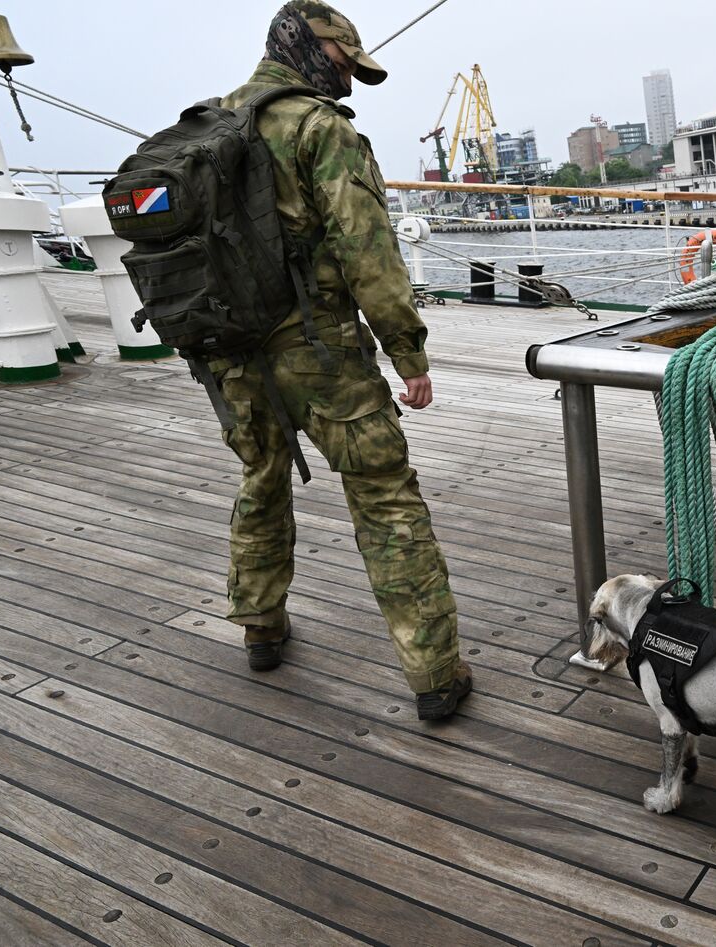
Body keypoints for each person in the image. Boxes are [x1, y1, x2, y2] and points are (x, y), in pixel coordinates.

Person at [216, 0, 470, 720]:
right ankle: (436, 677)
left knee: (260, 477)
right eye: (341, 64)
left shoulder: (213, 121)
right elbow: (368, 249)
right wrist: (407, 351)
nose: (348, 82)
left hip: (232, 354)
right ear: (304, 45)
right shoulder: (319, 128)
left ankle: (261, 628)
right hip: (318, 351)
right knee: (386, 498)